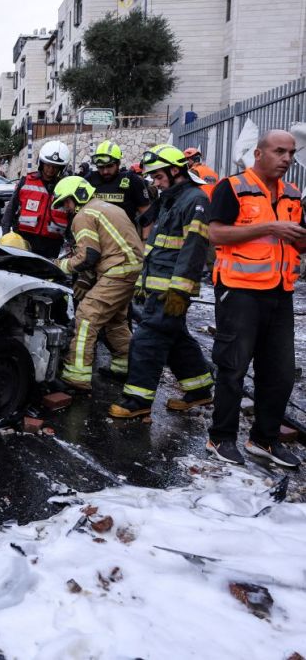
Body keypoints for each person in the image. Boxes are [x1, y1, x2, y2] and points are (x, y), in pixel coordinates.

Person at [205, 130, 305, 467]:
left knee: (279, 372)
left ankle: (265, 439)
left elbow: (298, 242)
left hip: (280, 292)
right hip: (239, 292)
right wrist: (269, 227)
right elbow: (215, 232)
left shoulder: (292, 195)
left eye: (291, 153)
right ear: (259, 153)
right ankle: (220, 437)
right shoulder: (232, 187)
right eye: (279, 151)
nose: (287, 159)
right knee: (233, 366)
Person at [110, 145, 213, 419]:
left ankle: (137, 400)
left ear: (175, 170)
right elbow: (157, 245)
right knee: (175, 337)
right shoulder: (171, 199)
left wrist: (179, 290)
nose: (155, 182)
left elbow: (194, 248)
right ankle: (200, 388)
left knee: (147, 340)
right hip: (159, 285)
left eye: (158, 176)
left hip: (171, 289)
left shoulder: (194, 200)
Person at [51, 176, 143, 393]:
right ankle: (125, 365)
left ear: (78, 195)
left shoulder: (83, 215)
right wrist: (88, 277)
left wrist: (60, 265)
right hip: (131, 268)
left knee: (86, 316)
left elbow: (88, 256)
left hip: (117, 270)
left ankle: (76, 375)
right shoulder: (107, 207)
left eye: (66, 202)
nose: (66, 208)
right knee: (115, 319)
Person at [0, 140, 71, 258]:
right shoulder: (26, 182)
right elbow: (9, 212)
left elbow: (71, 219)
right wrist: (6, 237)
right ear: (41, 163)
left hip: (52, 247)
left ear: (61, 168)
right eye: (48, 165)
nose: (51, 170)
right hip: (23, 242)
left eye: (55, 167)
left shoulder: (67, 188)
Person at [86, 140, 150, 231]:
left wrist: (145, 241)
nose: (105, 171)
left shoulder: (132, 180)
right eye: (101, 167)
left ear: (118, 163)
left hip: (125, 240)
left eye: (109, 166)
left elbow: (146, 214)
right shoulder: (89, 180)